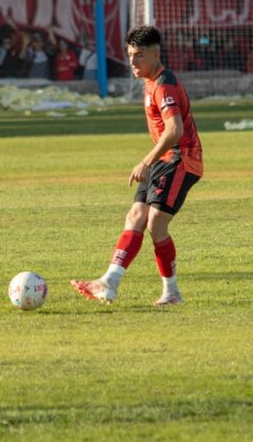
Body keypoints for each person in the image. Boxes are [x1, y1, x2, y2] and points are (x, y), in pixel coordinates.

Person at [70, 25, 204, 306]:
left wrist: (146, 161)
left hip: (181, 157)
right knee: (135, 216)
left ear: (155, 54)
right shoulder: (150, 81)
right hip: (164, 158)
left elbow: (175, 130)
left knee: (156, 223)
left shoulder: (164, 85)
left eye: (139, 55)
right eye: (130, 54)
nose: (132, 61)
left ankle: (172, 292)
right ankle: (109, 282)